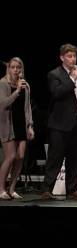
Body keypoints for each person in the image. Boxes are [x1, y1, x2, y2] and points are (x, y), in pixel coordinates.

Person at [41, 43, 77, 200]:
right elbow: (57, 93)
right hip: (59, 123)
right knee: (55, 157)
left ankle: (72, 189)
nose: (73, 59)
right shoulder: (54, 74)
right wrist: (72, 78)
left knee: (75, 158)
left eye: (74, 56)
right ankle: (47, 189)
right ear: (62, 58)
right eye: (69, 56)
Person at [0, 57, 35, 200]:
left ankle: (12, 189)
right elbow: (3, 104)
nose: (16, 70)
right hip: (7, 124)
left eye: (18, 67)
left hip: (21, 124)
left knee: (20, 157)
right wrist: (16, 91)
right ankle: (1, 188)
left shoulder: (26, 85)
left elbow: (27, 108)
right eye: (13, 67)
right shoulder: (3, 83)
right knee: (10, 157)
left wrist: (30, 125)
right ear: (8, 68)